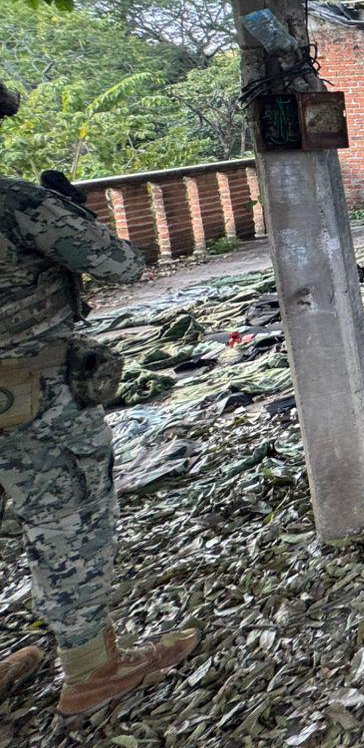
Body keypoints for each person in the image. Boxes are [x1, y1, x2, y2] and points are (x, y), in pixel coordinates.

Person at [0, 81, 199, 715]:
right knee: (67, 522)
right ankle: (91, 669)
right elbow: (122, 264)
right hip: (29, 403)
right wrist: (74, 216)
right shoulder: (17, 207)